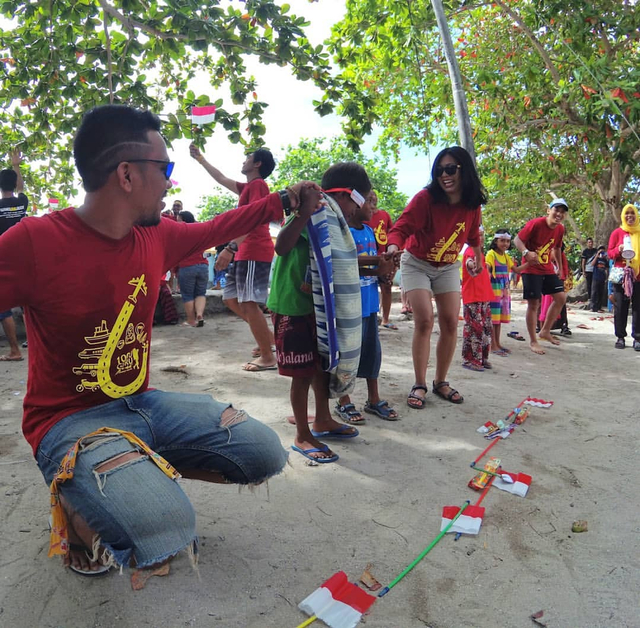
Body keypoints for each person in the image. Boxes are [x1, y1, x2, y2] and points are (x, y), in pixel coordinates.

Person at [0, 104, 318, 577]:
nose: (170, 181)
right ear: (126, 175)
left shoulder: (157, 234)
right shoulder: (34, 241)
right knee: (167, 525)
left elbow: (215, 229)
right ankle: (78, 505)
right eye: (165, 168)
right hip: (67, 421)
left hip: (139, 402)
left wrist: (281, 203)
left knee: (263, 451)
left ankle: (130, 473)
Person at [267, 162, 370, 462]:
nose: (355, 211)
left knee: (322, 365)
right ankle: (302, 433)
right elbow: (282, 246)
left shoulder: (333, 222)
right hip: (292, 306)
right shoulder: (315, 212)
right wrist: (303, 212)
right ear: (345, 194)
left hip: (315, 307)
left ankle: (322, 418)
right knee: (302, 373)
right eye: (358, 201)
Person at [387, 146, 485, 409]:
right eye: (440, 170)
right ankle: (419, 383)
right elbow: (401, 227)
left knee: (451, 322)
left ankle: (441, 381)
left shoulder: (472, 205)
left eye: (451, 169)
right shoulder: (425, 199)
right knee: (424, 321)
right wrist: (394, 246)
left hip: (448, 266)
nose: (444, 175)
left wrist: (479, 259)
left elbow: (474, 236)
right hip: (416, 262)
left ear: (464, 170)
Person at [190, 143, 277, 372]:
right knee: (230, 299)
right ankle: (268, 340)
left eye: (248, 157)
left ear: (257, 164)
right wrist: (201, 159)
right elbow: (220, 178)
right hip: (245, 250)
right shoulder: (248, 187)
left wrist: (230, 248)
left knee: (248, 303)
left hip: (254, 250)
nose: (243, 161)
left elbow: (255, 218)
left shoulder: (258, 185)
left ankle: (268, 356)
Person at [336, 191, 398, 422]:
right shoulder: (344, 232)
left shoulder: (370, 232)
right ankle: (344, 401)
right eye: (370, 202)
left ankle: (374, 399)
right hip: (350, 306)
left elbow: (373, 264)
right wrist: (378, 266)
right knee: (346, 357)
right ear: (355, 203)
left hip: (371, 304)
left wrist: (383, 274)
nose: (374, 208)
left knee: (373, 354)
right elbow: (346, 262)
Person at [514, 198, 568, 355]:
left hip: (548, 269)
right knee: (533, 304)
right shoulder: (536, 224)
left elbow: (557, 248)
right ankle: (533, 341)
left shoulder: (560, 229)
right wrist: (526, 252)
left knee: (560, 298)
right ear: (548, 210)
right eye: (556, 210)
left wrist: (559, 267)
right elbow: (517, 239)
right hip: (531, 269)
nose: (559, 214)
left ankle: (545, 331)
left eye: (562, 212)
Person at [0, 149, 28, 361]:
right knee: (29, 299)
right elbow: (21, 188)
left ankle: (15, 351)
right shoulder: (22, 202)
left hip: (4, 257)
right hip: (24, 256)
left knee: (4, 307)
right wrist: (16, 165)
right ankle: (33, 341)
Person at [485, 230, 524, 355]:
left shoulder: (506, 257)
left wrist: (530, 263)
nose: (505, 244)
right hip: (494, 291)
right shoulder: (491, 254)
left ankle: (497, 343)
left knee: (499, 318)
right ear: (496, 241)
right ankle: (493, 345)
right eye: (502, 241)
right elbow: (487, 268)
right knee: (493, 319)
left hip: (504, 292)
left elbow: (516, 270)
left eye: (507, 241)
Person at [460, 227, 494, 372]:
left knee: (486, 328)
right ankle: (470, 359)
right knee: (475, 328)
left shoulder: (481, 253)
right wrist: (472, 265)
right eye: (477, 236)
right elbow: (469, 263)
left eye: (482, 235)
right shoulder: (470, 252)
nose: (480, 238)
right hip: (472, 297)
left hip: (483, 297)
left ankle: (482, 358)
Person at [607, 204, 640, 350]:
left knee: (638, 308)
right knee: (620, 306)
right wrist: (618, 250)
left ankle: (637, 338)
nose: (630, 216)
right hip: (621, 276)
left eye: (633, 213)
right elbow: (609, 254)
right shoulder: (617, 233)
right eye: (627, 213)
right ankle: (620, 337)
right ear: (623, 216)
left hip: (638, 275)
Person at [364, 190, 397, 330]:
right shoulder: (363, 214)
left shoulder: (384, 215)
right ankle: (370, 318)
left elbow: (392, 233)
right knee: (368, 286)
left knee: (386, 286)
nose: (373, 199)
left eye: (374, 196)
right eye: (369, 197)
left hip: (384, 256)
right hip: (367, 257)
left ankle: (385, 319)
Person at [176, 209, 209, 327]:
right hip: (203, 266)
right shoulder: (200, 230)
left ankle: (191, 320)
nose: (177, 222)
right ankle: (200, 315)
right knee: (201, 293)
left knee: (187, 294)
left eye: (178, 220)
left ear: (183, 220)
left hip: (187, 266)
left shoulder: (180, 233)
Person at [590, 246, 608, 312]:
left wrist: (606, 277)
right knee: (594, 292)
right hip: (595, 277)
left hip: (602, 278)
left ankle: (599, 307)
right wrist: (597, 255)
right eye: (601, 251)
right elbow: (592, 264)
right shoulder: (596, 259)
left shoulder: (605, 260)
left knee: (601, 293)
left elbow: (607, 268)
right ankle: (592, 307)